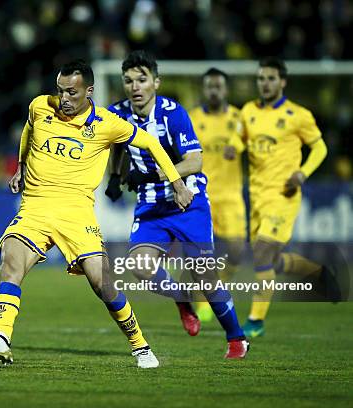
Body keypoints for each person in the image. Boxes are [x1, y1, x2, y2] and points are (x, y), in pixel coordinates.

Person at [0, 60, 194, 369]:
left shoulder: (107, 123)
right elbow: (29, 129)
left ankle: (140, 346)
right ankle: (1, 338)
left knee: (103, 283)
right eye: (60, 91)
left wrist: (177, 183)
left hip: (77, 214)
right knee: (11, 263)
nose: (64, 99)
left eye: (72, 92)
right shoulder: (41, 106)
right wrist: (22, 166)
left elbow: (150, 142)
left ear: (88, 91)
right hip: (35, 208)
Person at [107, 51, 248, 358]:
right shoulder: (116, 113)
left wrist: (155, 174)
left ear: (156, 82)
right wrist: (116, 177)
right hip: (151, 207)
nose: (135, 87)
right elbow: (118, 142)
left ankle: (236, 337)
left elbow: (195, 160)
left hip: (188, 203)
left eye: (142, 80)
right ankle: (182, 298)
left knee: (205, 276)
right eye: (129, 81)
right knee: (140, 266)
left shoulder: (174, 113)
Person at [231, 58, 332, 338]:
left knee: (263, 253)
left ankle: (255, 321)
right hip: (256, 195)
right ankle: (315, 271)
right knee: (269, 261)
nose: (265, 83)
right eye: (261, 78)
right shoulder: (248, 111)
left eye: (271, 78)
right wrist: (232, 147)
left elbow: (320, 147)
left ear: (283, 82)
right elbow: (242, 138)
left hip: (283, 195)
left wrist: (303, 173)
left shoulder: (298, 115)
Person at [188, 68, 246, 323]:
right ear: (204, 89)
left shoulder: (240, 118)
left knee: (235, 250)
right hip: (201, 196)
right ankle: (203, 302)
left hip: (231, 195)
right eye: (209, 86)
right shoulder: (192, 118)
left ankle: (215, 291)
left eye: (218, 86)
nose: (213, 90)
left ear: (226, 90)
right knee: (202, 254)